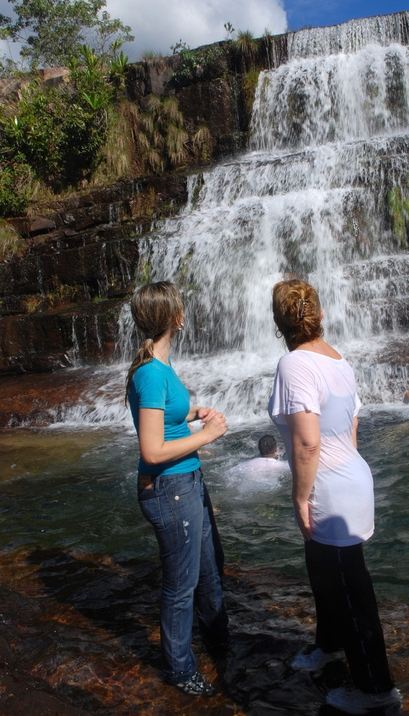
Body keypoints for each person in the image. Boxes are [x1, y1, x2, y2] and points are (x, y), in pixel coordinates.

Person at [268, 279, 402, 715]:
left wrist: (300, 497)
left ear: (279, 323)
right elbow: (353, 423)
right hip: (350, 477)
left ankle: (377, 691)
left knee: (350, 588)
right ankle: (329, 645)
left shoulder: (294, 364)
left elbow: (308, 443)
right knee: (324, 572)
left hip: (327, 487)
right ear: (320, 315)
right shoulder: (338, 359)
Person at [125, 281, 229, 698]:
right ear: (176, 318)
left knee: (210, 569)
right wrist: (207, 435)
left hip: (186, 482)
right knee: (181, 586)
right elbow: (151, 451)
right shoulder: (151, 373)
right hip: (169, 488)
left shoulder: (160, 367)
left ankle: (219, 644)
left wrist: (193, 413)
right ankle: (179, 670)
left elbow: (165, 416)